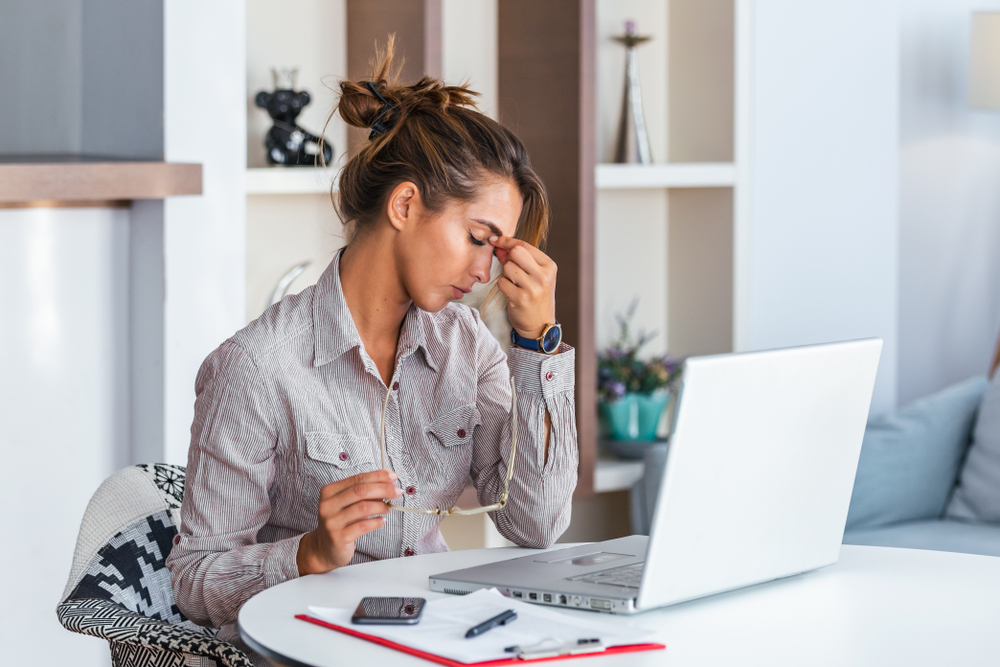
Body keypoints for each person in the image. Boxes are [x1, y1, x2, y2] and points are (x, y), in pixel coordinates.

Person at [165, 39, 579, 658]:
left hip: (433, 642)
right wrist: (307, 554)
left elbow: (535, 525)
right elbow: (194, 580)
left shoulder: (468, 346)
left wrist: (536, 345)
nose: (487, 271)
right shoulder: (257, 366)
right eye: (477, 238)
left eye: (498, 250)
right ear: (406, 203)